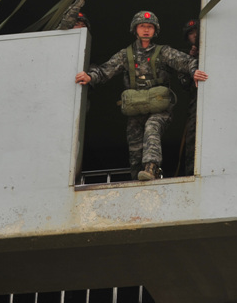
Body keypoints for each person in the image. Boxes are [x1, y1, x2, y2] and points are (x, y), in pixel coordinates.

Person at [75, 10, 209, 181]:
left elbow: (187, 61)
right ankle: (138, 178)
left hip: (159, 107)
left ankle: (152, 168)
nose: (146, 30)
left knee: (152, 128)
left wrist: (194, 71)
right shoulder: (126, 55)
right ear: (135, 29)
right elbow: (104, 70)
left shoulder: (163, 52)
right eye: (142, 26)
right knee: (135, 148)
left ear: (155, 30)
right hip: (136, 109)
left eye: (150, 27)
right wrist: (89, 76)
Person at [178, 19, 200, 176]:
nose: (195, 35)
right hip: (197, 104)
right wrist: (192, 61)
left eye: (196, 31)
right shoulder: (185, 58)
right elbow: (184, 84)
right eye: (191, 34)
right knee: (193, 140)